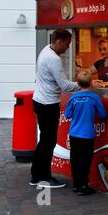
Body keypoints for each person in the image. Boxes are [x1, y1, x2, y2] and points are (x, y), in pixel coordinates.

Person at [30, 29, 81, 188]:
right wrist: (83, 85)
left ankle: (35, 175)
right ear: (59, 42)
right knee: (48, 142)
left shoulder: (46, 49)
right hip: (47, 105)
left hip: (39, 101)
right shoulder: (53, 59)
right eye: (67, 44)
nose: (67, 48)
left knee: (44, 141)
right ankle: (45, 178)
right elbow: (65, 86)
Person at [64, 70, 107, 196]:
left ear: (78, 83)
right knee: (86, 160)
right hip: (88, 135)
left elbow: (67, 114)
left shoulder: (73, 98)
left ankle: (77, 185)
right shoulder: (94, 98)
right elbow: (103, 115)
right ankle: (84, 185)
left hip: (74, 134)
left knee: (75, 159)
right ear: (91, 83)